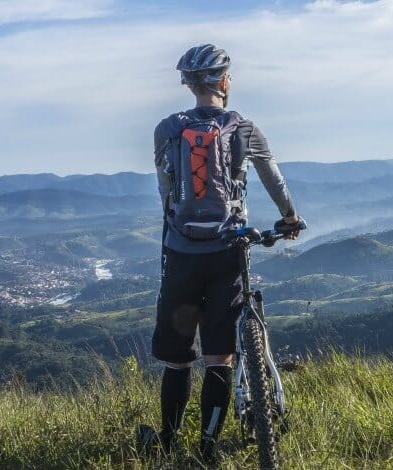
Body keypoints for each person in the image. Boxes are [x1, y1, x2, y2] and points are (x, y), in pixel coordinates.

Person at [147, 43, 301, 462]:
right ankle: (209, 446)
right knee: (220, 355)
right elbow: (274, 179)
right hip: (227, 252)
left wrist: (177, 229)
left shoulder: (166, 129)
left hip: (180, 252)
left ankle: (166, 441)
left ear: (189, 83)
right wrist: (289, 218)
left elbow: (165, 190)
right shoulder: (244, 128)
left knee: (178, 361)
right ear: (224, 81)